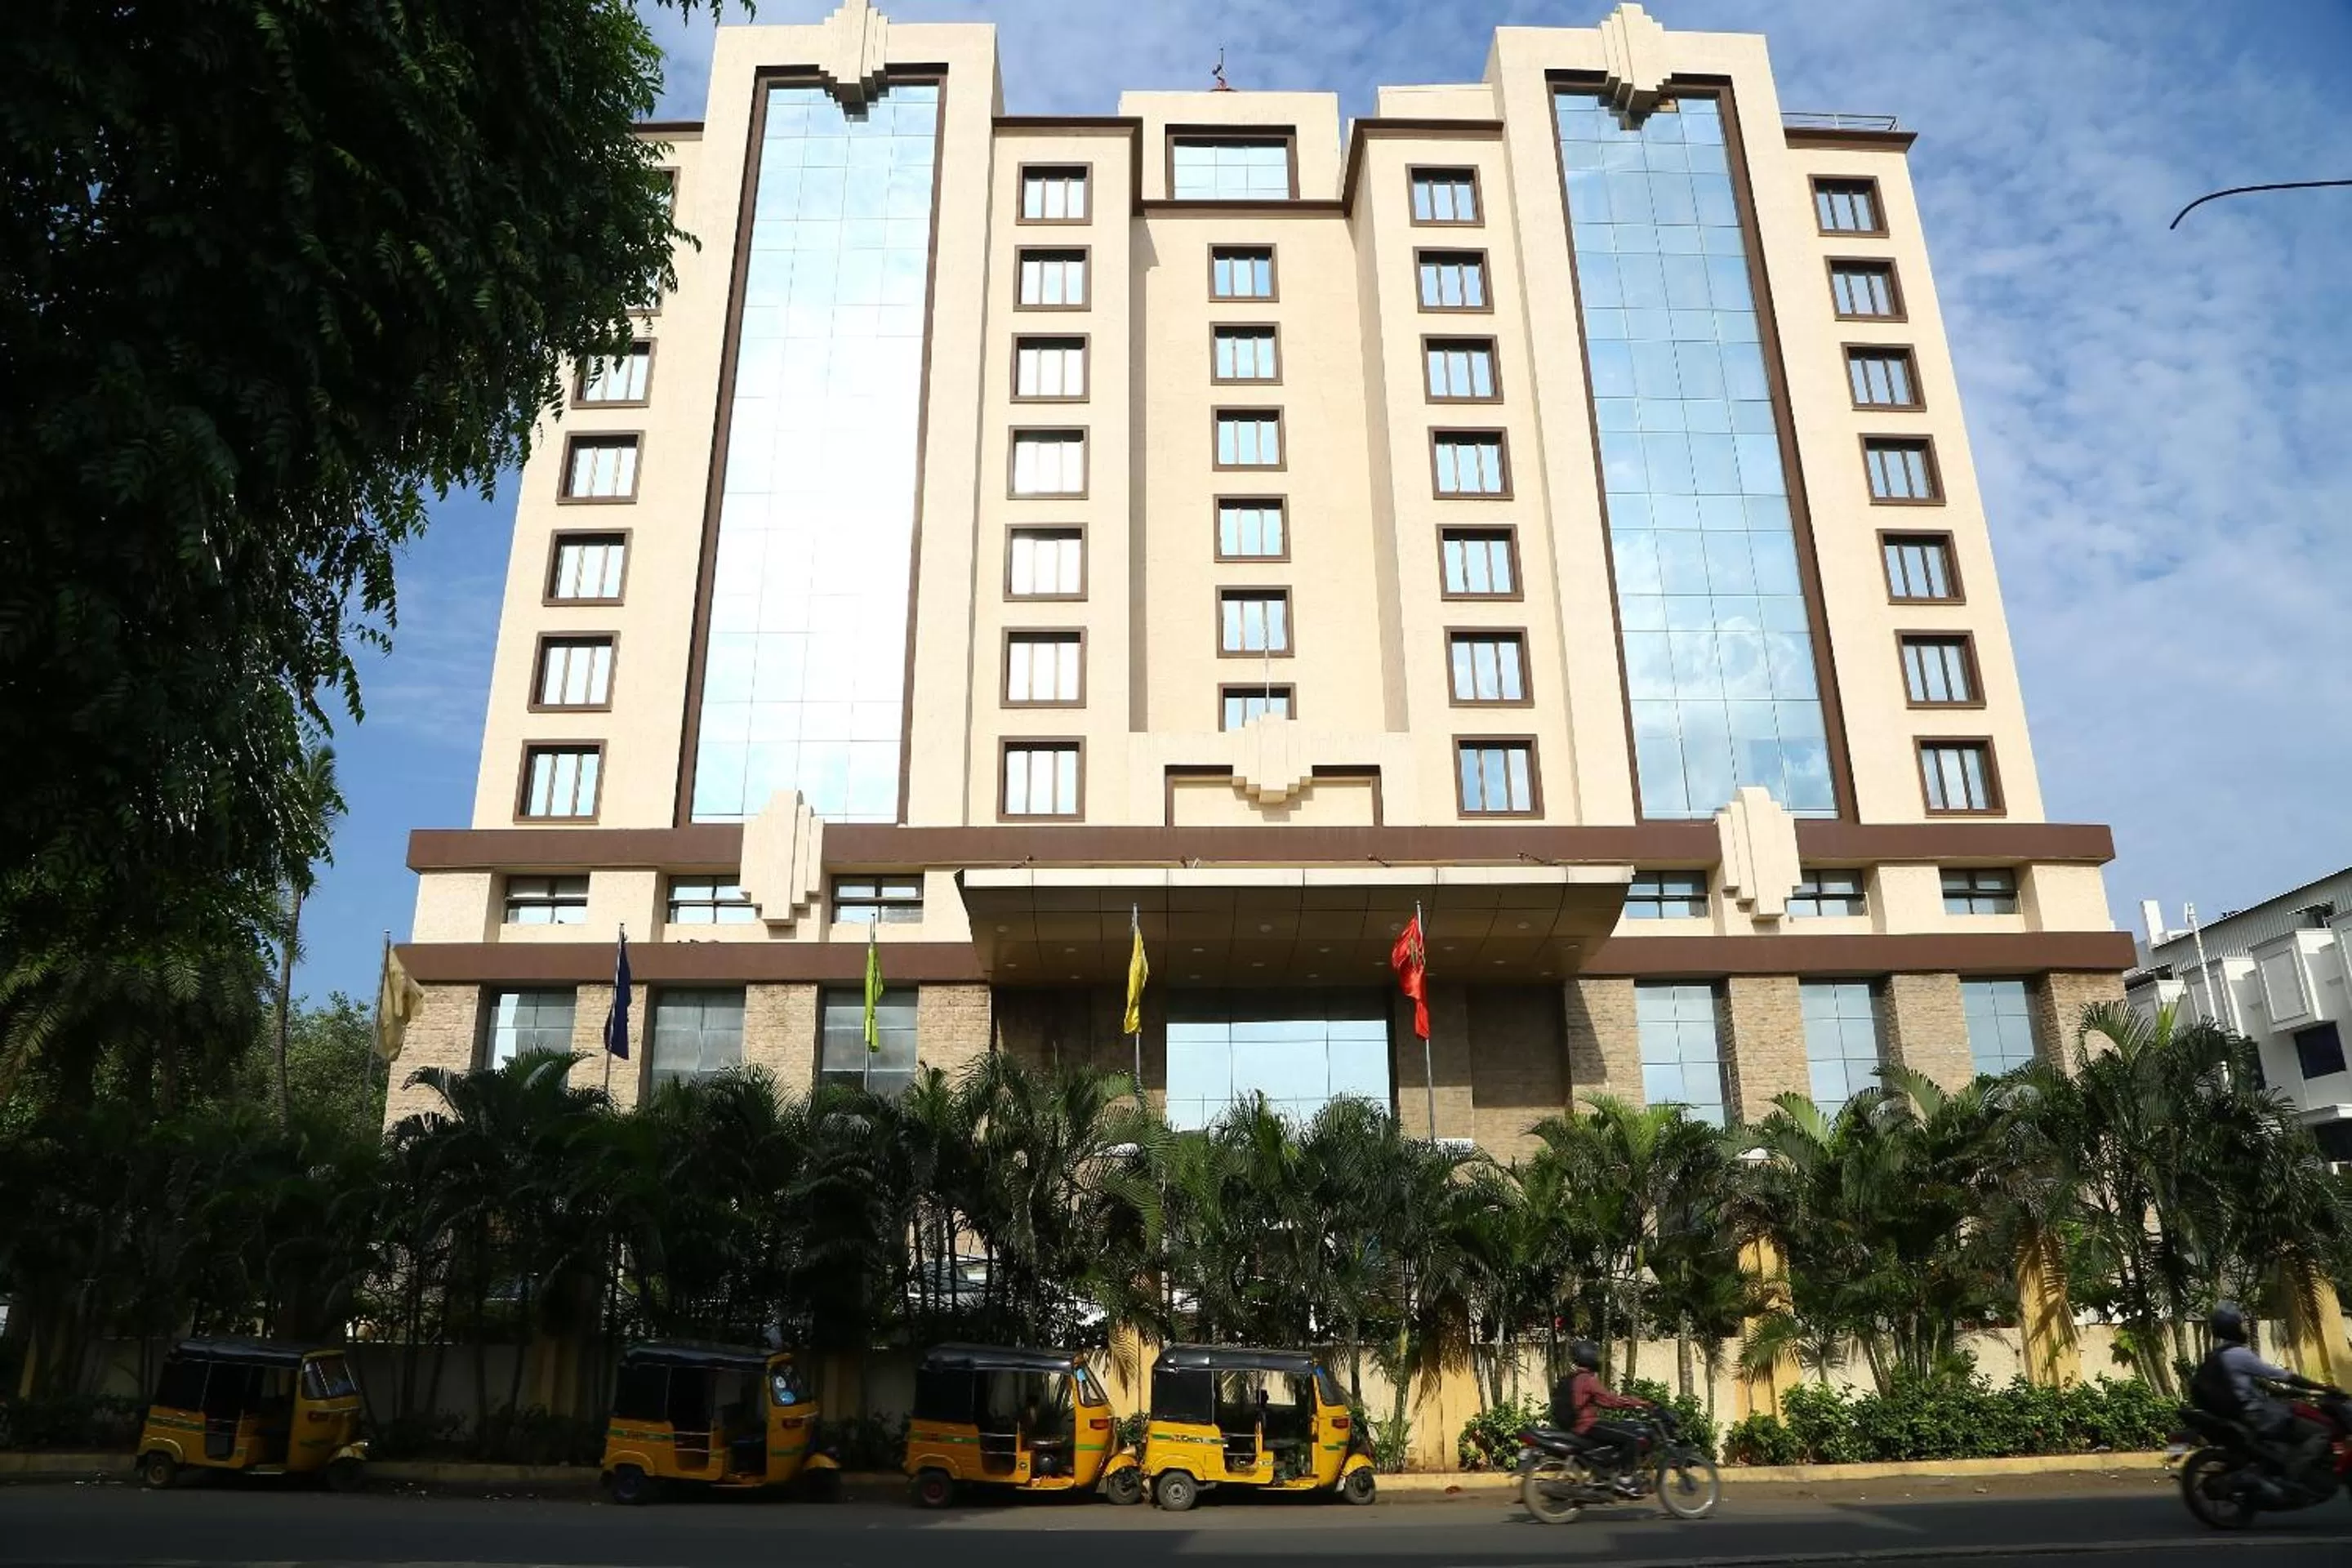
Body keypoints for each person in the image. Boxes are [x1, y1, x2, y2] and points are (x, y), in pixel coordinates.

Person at [2189, 1302, 2336, 1491]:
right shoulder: (2239, 1355)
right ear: (2234, 1326)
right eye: (2240, 1323)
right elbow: (2282, 1376)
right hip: (2258, 1415)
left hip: (2241, 1415)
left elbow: (2263, 1386)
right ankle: (2294, 1475)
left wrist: (2295, 1393)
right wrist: (2322, 1388)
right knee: (2320, 1431)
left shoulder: (2217, 1356)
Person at [1549, 1339, 1654, 1495]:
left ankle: (1606, 1472)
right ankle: (1625, 1479)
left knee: (1616, 1430)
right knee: (1631, 1437)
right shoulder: (1588, 1380)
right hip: (1587, 1426)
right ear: (1589, 1356)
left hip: (1575, 1426)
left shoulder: (1573, 1378)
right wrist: (1638, 1403)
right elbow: (1610, 1401)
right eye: (1596, 1354)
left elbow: (1598, 1401)